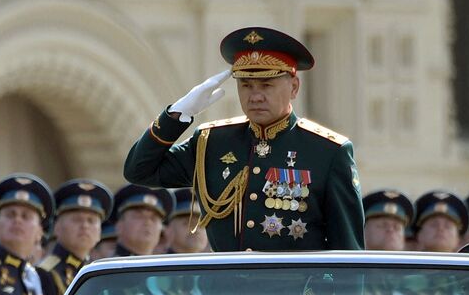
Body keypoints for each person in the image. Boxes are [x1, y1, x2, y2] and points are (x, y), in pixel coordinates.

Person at [122, 26, 362, 252]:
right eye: (246, 85)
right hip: (227, 294)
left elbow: (348, 250)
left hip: (297, 293)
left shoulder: (327, 151)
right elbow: (139, 170)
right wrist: (176, 116)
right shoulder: (212, 142)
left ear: (294, 87)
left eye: (266, 85)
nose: (255, 96)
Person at [359, 190, 417, 295]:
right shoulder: (355, 284)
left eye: (397, 227)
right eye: (382, 225)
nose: (391, 230)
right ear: (362, 231)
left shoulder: (407, 289)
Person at [38, 180, 110, 295]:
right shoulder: (46, 274)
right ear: (57, 228)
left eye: (91, 220)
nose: (85, 226)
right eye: (77, 219)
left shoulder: (96, 274)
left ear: (100, 232)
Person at [410, 191, 468, 295]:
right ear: (419, 237)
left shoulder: (468, 283)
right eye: (433, 224)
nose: (441, 229)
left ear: (459, 240)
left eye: (448, 226)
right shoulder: (405, 283)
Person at [160, 187, 208, 255]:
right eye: (188, 223)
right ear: (168, 230)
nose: (196, 229)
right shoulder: (160, 264)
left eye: (201, 224)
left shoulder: (217, 263)